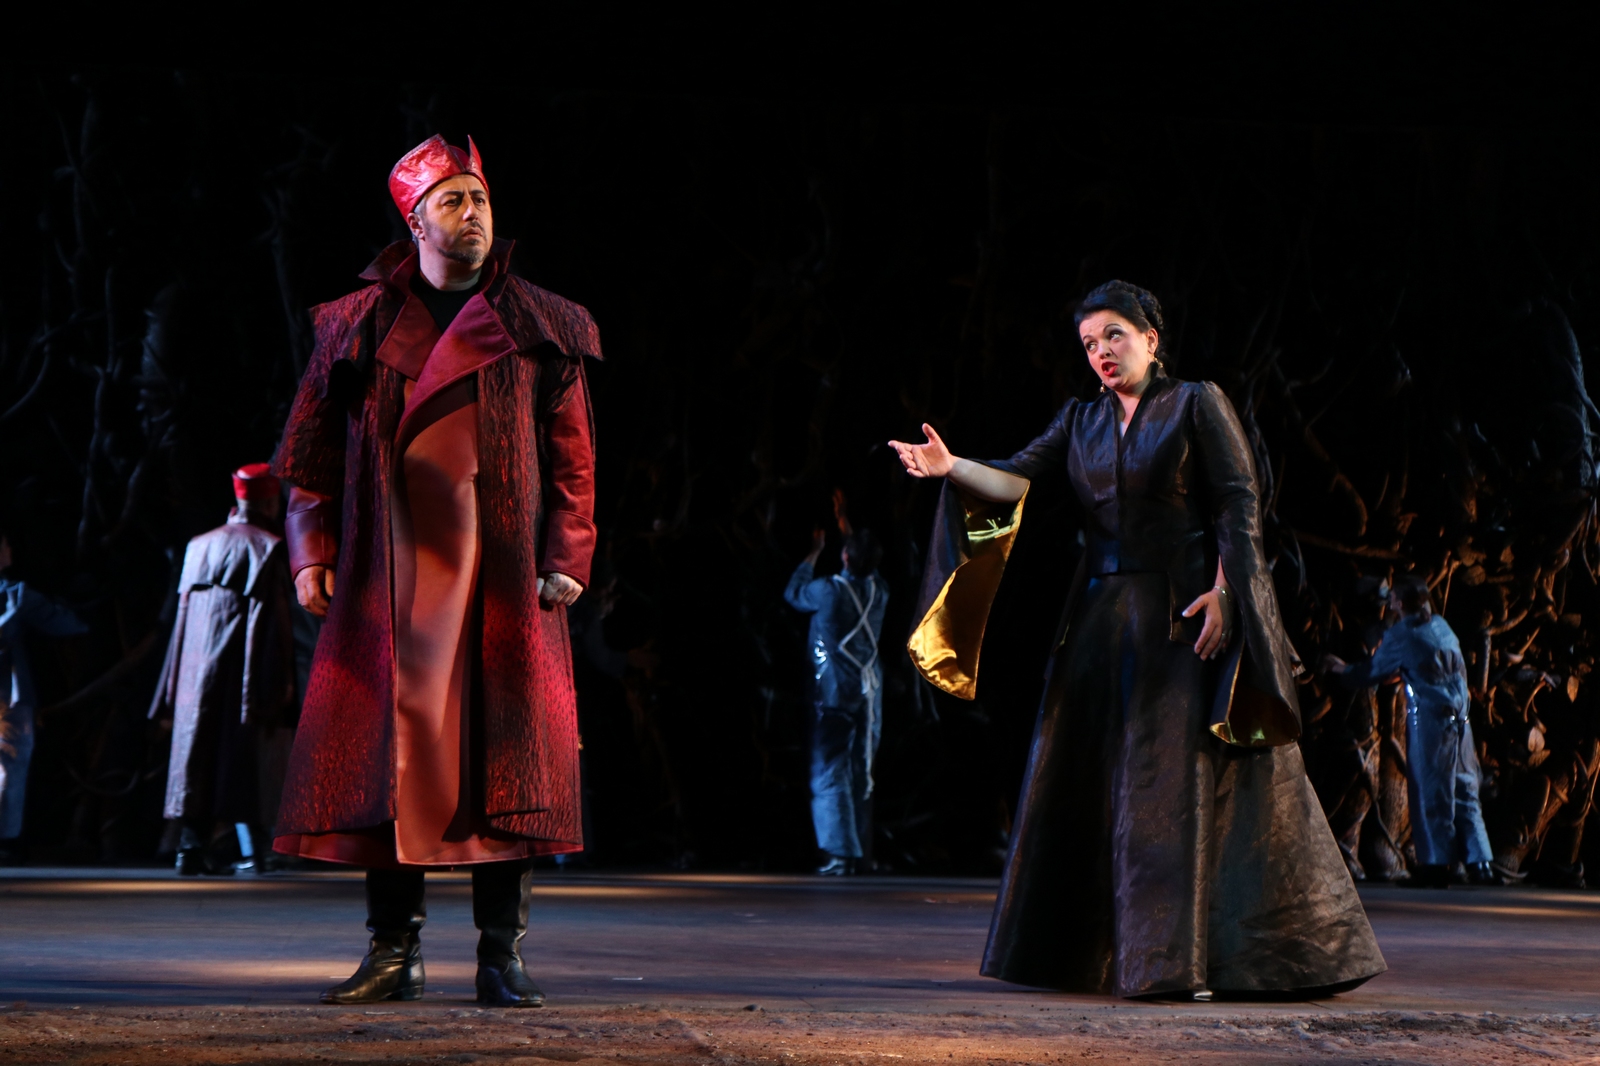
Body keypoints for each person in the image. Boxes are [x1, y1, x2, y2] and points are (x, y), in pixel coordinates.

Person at [890, 280, 1385, 999]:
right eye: (1089, 343)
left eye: (1114, 335)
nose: (1101, 352)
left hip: (1179, 613)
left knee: (1168, 786)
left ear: (1151, 339)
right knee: (1090, 783)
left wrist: (1226, 593)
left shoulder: (1194, 404)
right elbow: (1016, 482)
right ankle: (1088, 956)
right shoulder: (1081, 421)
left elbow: (1236, 504)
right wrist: (951, 468)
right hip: (1099, 622)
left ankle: (1177, 962)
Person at [270, 135, 600, 1008]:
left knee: (510, 761)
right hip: (388, 577)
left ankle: (501, 955)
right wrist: (310, 551)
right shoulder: (357, 322)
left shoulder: (540, 322)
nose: (473, 214)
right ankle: (394, 952)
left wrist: (567, 553)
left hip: (501, 579)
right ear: (414, 221)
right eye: (452, 201)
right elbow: (309, 453)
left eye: (479, 198)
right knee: (388, 760)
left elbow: (572, 458)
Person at [149, 464, 295, 875]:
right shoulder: (268, 547)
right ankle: (259, 851)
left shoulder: (199, 546)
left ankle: (191, 848)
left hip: (194, 673)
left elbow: (181, 622)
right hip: (239, 671)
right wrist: (279, 683)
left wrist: (170, 688)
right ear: (271, 501)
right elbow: (274, 624)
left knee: (198, 753)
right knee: (242, 756)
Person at [1325, 574, 1495, 888]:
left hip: (1432, 721)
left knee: (1432, 791)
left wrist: (1340, 669)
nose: (1389, 602)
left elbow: (1372, 671)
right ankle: (1481, 864)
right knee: (1465, 789)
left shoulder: (1402, 634)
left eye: (1392, 598)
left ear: (1400, 603)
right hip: (1461, 718)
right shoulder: (1441, 625)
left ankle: (1436, 866)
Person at [785, 528, 889, 875]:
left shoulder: (827, 590)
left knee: (830, 771)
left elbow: (794, 594)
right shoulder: (880, 591)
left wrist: (815, 552)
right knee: (863, 772)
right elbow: (864, 563)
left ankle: (840, 854)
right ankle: (863, 855)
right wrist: (848, 529)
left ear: (844, 556)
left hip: (833, 694)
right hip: (869, 693)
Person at [0, 521, 89, 864]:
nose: (10, 551)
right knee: (9, 764)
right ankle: (6, 839)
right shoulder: (15, 594)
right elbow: (66, 623)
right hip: (7, 692)